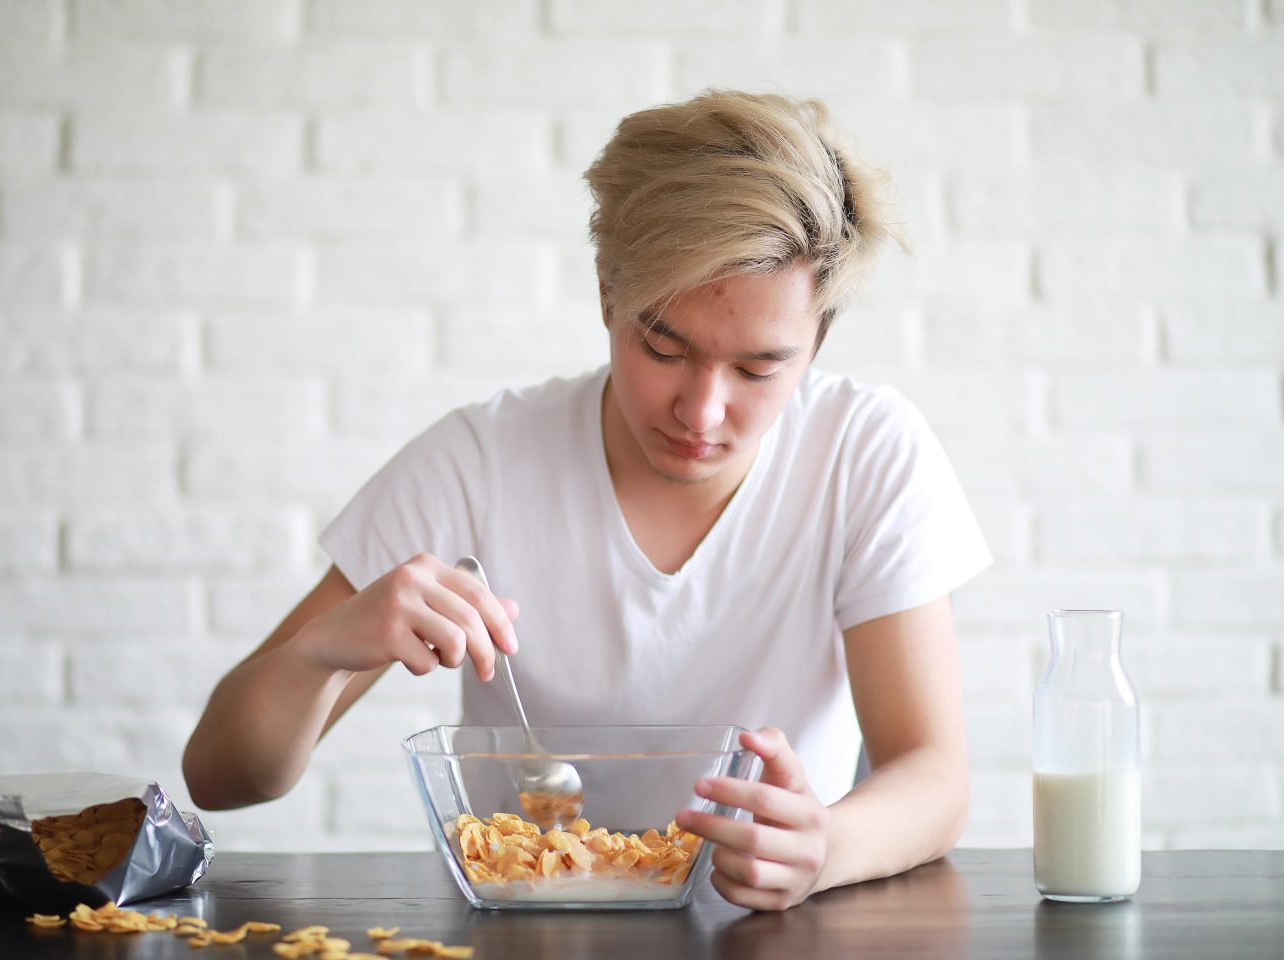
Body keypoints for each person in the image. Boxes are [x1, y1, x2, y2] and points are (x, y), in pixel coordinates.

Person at [183, 89, 991, 912]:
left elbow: (934, 776)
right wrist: (325, 651)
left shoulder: (864, 451)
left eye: (758, 369)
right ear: (607, 294)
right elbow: (219, 776)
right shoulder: (479, 463)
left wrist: (827, 847)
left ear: (818, 338)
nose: (702, 412)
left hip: (776, 930)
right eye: (663, 346)